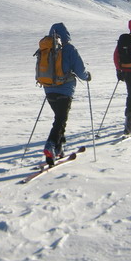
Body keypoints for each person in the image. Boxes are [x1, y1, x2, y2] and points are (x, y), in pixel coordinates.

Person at [42, 23, 91, 166]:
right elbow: (80, 71)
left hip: (49, 90)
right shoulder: (69, 49)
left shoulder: (46, 48)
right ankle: (50, 145)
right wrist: (87, 76)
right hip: (65, 90)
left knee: (60, 118)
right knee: (60, 120)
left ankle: (59, 148)